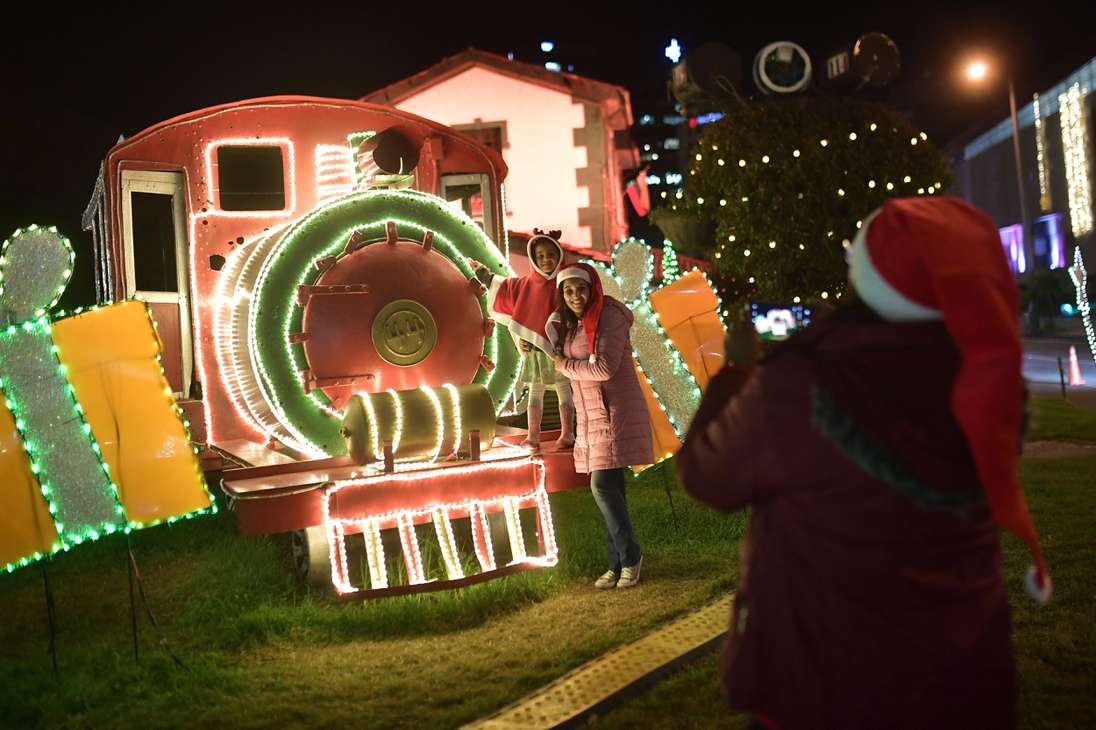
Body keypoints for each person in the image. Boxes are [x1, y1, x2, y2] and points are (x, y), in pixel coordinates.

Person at [676, 197, 1051, 730]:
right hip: (963, 678)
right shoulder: (990, 386)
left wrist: (738, 369)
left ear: (867, 278)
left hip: (824, 682)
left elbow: (707, 476)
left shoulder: (802, 383)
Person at [549, 263, 653, 589]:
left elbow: (605, 367)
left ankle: (631, 557)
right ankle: (618, 562)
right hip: (593, 416)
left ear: (593, 288)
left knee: (602, 487)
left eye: (581, 289)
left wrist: (564, 364)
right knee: (613, 490)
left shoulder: (609, 316)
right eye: (568, 291)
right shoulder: (576, 323)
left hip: (614, 413)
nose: (576, 296)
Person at [473, 229, 574, 450]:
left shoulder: (566, 283)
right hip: (535, 351)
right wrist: (484, 274)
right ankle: (533, 436)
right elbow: (506, 289)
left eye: (551, 255)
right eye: (540, 256)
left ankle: (568, 433)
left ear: (559, 255)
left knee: (563, 389)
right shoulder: (526, 285)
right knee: (534, 392)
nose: (546, 260)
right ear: (533, 259)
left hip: (560, 350)